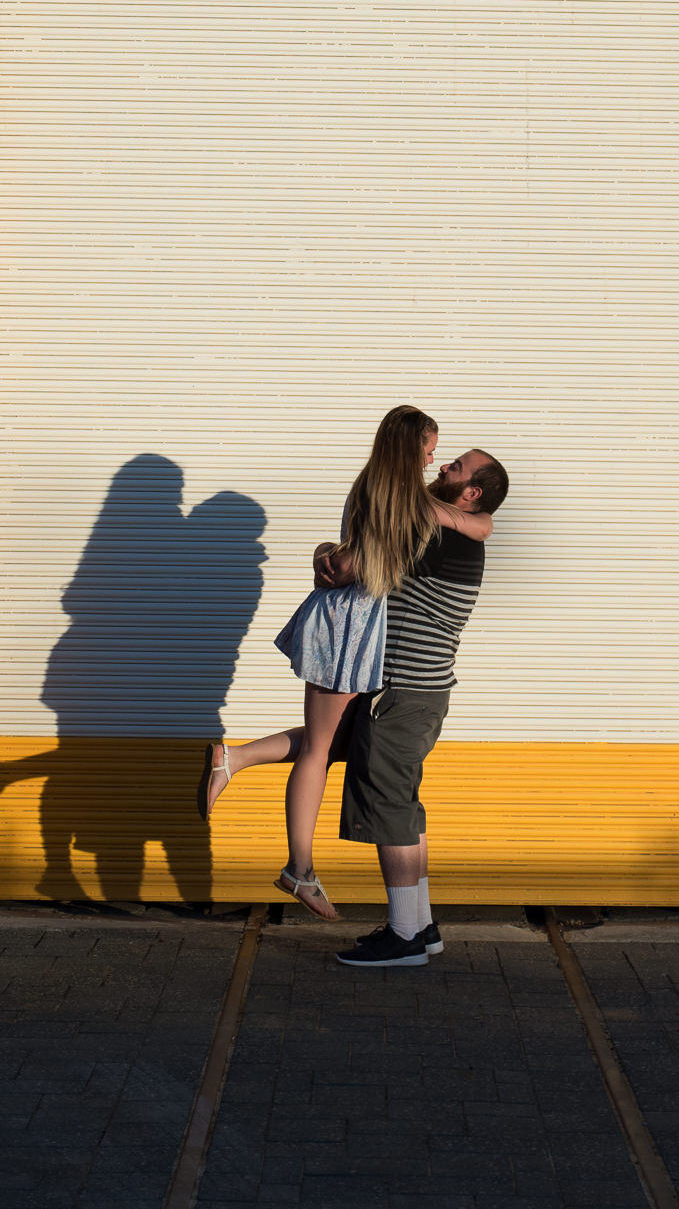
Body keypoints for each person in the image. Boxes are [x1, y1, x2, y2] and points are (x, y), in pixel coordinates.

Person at [197, 406, 492, 921]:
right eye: (430, 450)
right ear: (409, 447)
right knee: (319, 750)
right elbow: (356, 562)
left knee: (332, 739)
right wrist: (334, 559)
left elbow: (474, 524)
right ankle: (300, 868)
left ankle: (234, 759)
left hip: (360, 626)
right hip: (349, 625)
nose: (436, 461)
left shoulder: (393, 492)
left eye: (446, 459)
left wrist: (330, 553)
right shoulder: (397, 499)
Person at [335, 444, 509, 968]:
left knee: (390, 810)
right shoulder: (453, 531)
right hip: (422, 692)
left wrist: (328, 553)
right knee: (404, 808)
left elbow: (354, 560)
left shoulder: (440, 534)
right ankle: (421, 925)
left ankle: (405, 936)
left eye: (454, 467)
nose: (439, 467)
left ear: (471, 492)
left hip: (404, 691)